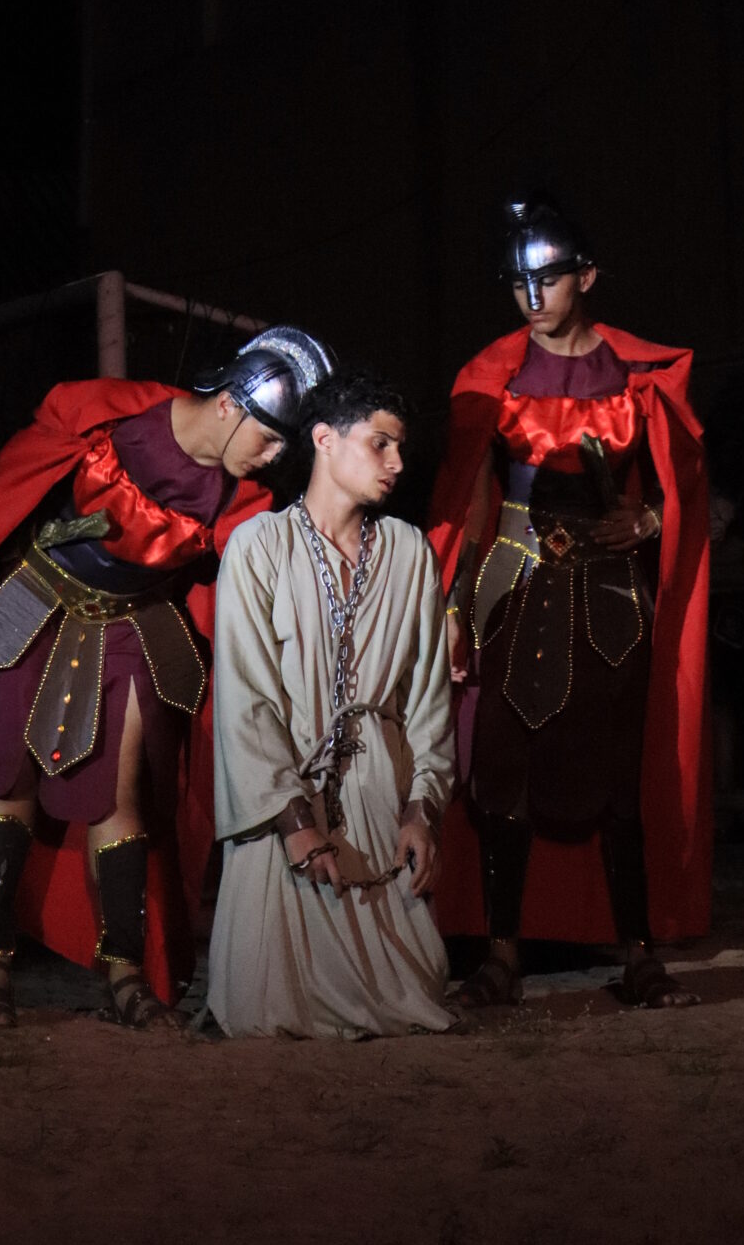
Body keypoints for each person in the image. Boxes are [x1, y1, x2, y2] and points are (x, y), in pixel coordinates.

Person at [0, 327, 332, 1030]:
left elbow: (255, 581)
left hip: (131, 623)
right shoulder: (109, 412)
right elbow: (15, 480)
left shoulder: (240, 499)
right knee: (6, 777)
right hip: (35, 603)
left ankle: (123, 970)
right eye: (269, 438)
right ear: (229, 404)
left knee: (118, 798)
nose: (273, 457)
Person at [428, 197, 710, 1008]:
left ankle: (637, 954)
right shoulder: (491, 373)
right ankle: (500, 956)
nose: (530, 296)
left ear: (584, 278)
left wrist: (648, 519)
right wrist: (453, 606)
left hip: (609, 589)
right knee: (502, 765)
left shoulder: (639, 372)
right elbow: (468, 495)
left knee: (619, 771)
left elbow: (684, 484)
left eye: (546, 279)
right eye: (517, 282)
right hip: (513, 579)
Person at [206, 366, 455, 1037]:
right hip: (283, 803)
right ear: (323, 439)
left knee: (414, 987)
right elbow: (246, 698)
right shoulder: (259, 546)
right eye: (380, 443)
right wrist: (295, 823)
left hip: (379, 799)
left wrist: (421, 809)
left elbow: (428, 697)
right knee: (264, 1006)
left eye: (400, 448)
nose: (396, 463)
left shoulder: (409, 551)